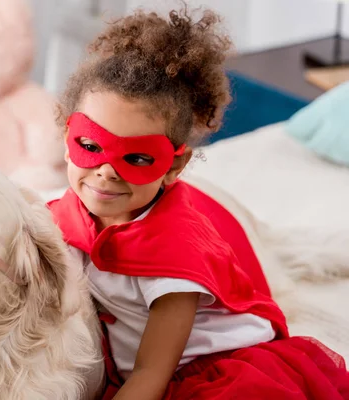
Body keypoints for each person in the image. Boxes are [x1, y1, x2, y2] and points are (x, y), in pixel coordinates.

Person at [47, 6, 349, 400]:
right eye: (90, 146)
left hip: (207, 373)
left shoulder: (174, 262)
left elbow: (151, 374)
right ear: (67, 139)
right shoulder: (60, 213)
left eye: (137, 158)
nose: (106, 172)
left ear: (175, 165)